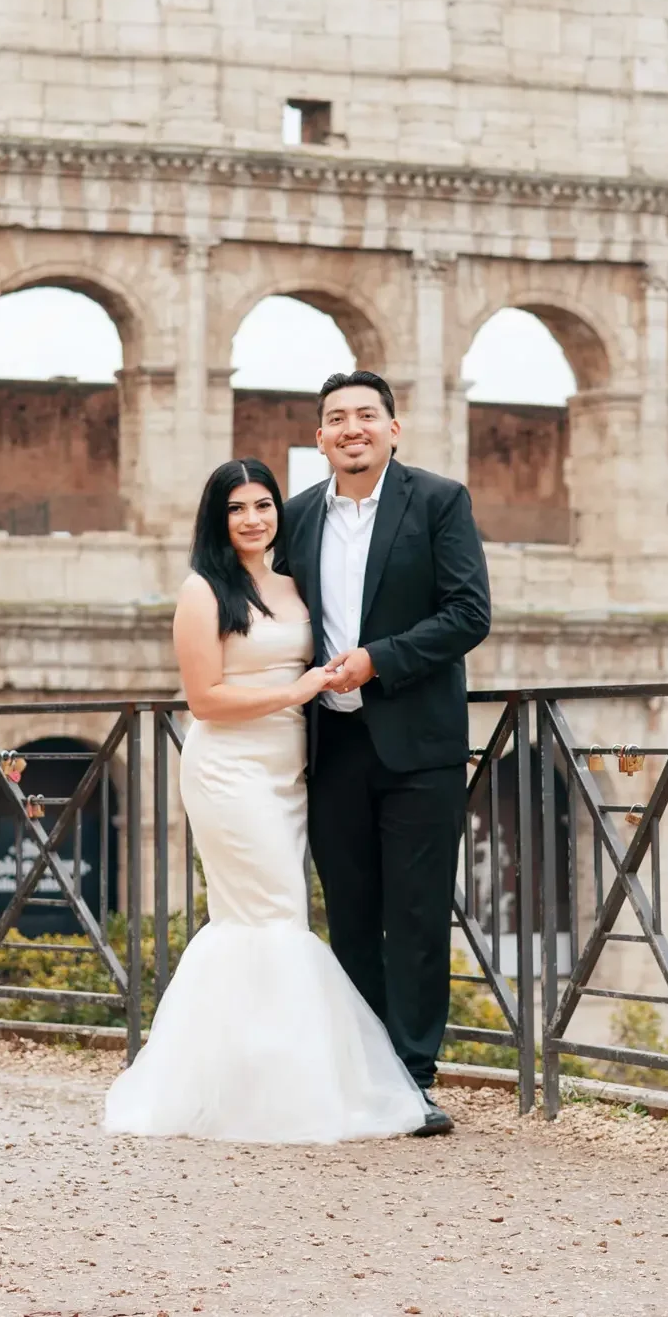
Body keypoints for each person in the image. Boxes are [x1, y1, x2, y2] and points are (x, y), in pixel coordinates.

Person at [102, 457, 428, 1143]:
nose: (253, 519)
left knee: (266, 918)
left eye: (263, 505)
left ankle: (248, 1081)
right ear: (217, 520)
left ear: (279, 511)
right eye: (237, 508)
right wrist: (297, 690)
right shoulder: (202, 591)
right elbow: (205, 699)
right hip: (229, 768)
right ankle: (283, 1092)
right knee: (274, 913)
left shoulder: (291, 584)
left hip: (287, 768)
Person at [280, 370, 493, 1137]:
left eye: (366, 414)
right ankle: (361, 1070)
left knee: (415, 913)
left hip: (418, 742)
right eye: (336, 417)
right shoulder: (297, 517)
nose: (352, 428)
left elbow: (470, 613)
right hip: (331, 741)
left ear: (393, 428)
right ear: (319, 437)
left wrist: (380, 658)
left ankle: (413, 1079)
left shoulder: (438, 501)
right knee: (349, 911)